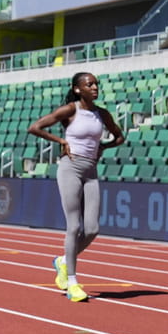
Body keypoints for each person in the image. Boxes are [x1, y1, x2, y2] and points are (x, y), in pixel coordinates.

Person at [27, 72, 126, 302]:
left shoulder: (102, 114)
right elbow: (35, 127)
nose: (94, 87)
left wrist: (104, 147)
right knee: (73, 227)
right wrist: (61, 141)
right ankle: (72, 282)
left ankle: (62, 261)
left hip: (91, 171)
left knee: (92, 229)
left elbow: (120, 137)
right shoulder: (70, 110)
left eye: (96, 84)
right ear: (78, 88)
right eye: (89, 84)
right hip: (70, 167)